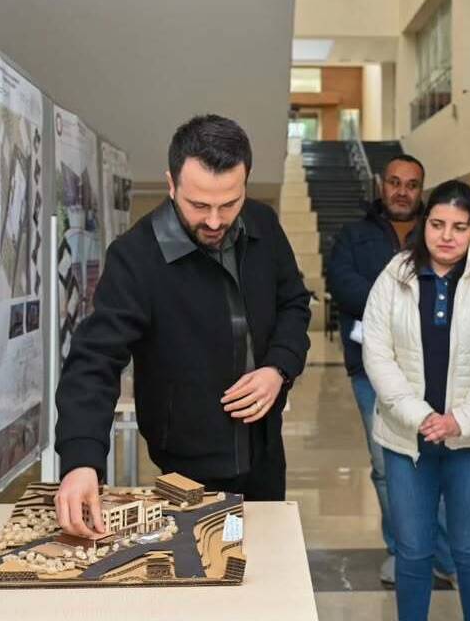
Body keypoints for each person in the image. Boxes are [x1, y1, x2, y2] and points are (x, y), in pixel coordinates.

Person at [54, 115, 311, 537]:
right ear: (171, 184)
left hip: (266, 448)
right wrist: (82, 459)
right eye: (198, 205)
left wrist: (278, 368)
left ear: (245, 184)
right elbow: (94, 361)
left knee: (265, 575)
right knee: (200, 578)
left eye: (229, 204)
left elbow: (294, 305)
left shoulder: (263, 224)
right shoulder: (135, 257)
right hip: (187, 464)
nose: (214, 221)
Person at [362, 180, 470, 621]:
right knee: (412, 551)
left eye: (459, 226)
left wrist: (461, 420)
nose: (446, 235)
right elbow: (377, 354)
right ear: (423, 224)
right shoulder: (394, 276)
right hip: (406, 437)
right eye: (437, 224)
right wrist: (422, 416)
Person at [326, 154, 456, 585]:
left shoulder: (440, 231)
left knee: (434, 457)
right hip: (372, 371)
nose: (402, 191)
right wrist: (404, 308)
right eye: (395, 182)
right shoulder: (353, 235)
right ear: (382, 185)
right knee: (387, 464)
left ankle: (439, 553)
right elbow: (342, 284)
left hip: (435, 368)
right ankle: (402, 551)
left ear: (422, 189)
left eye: (412, 184)